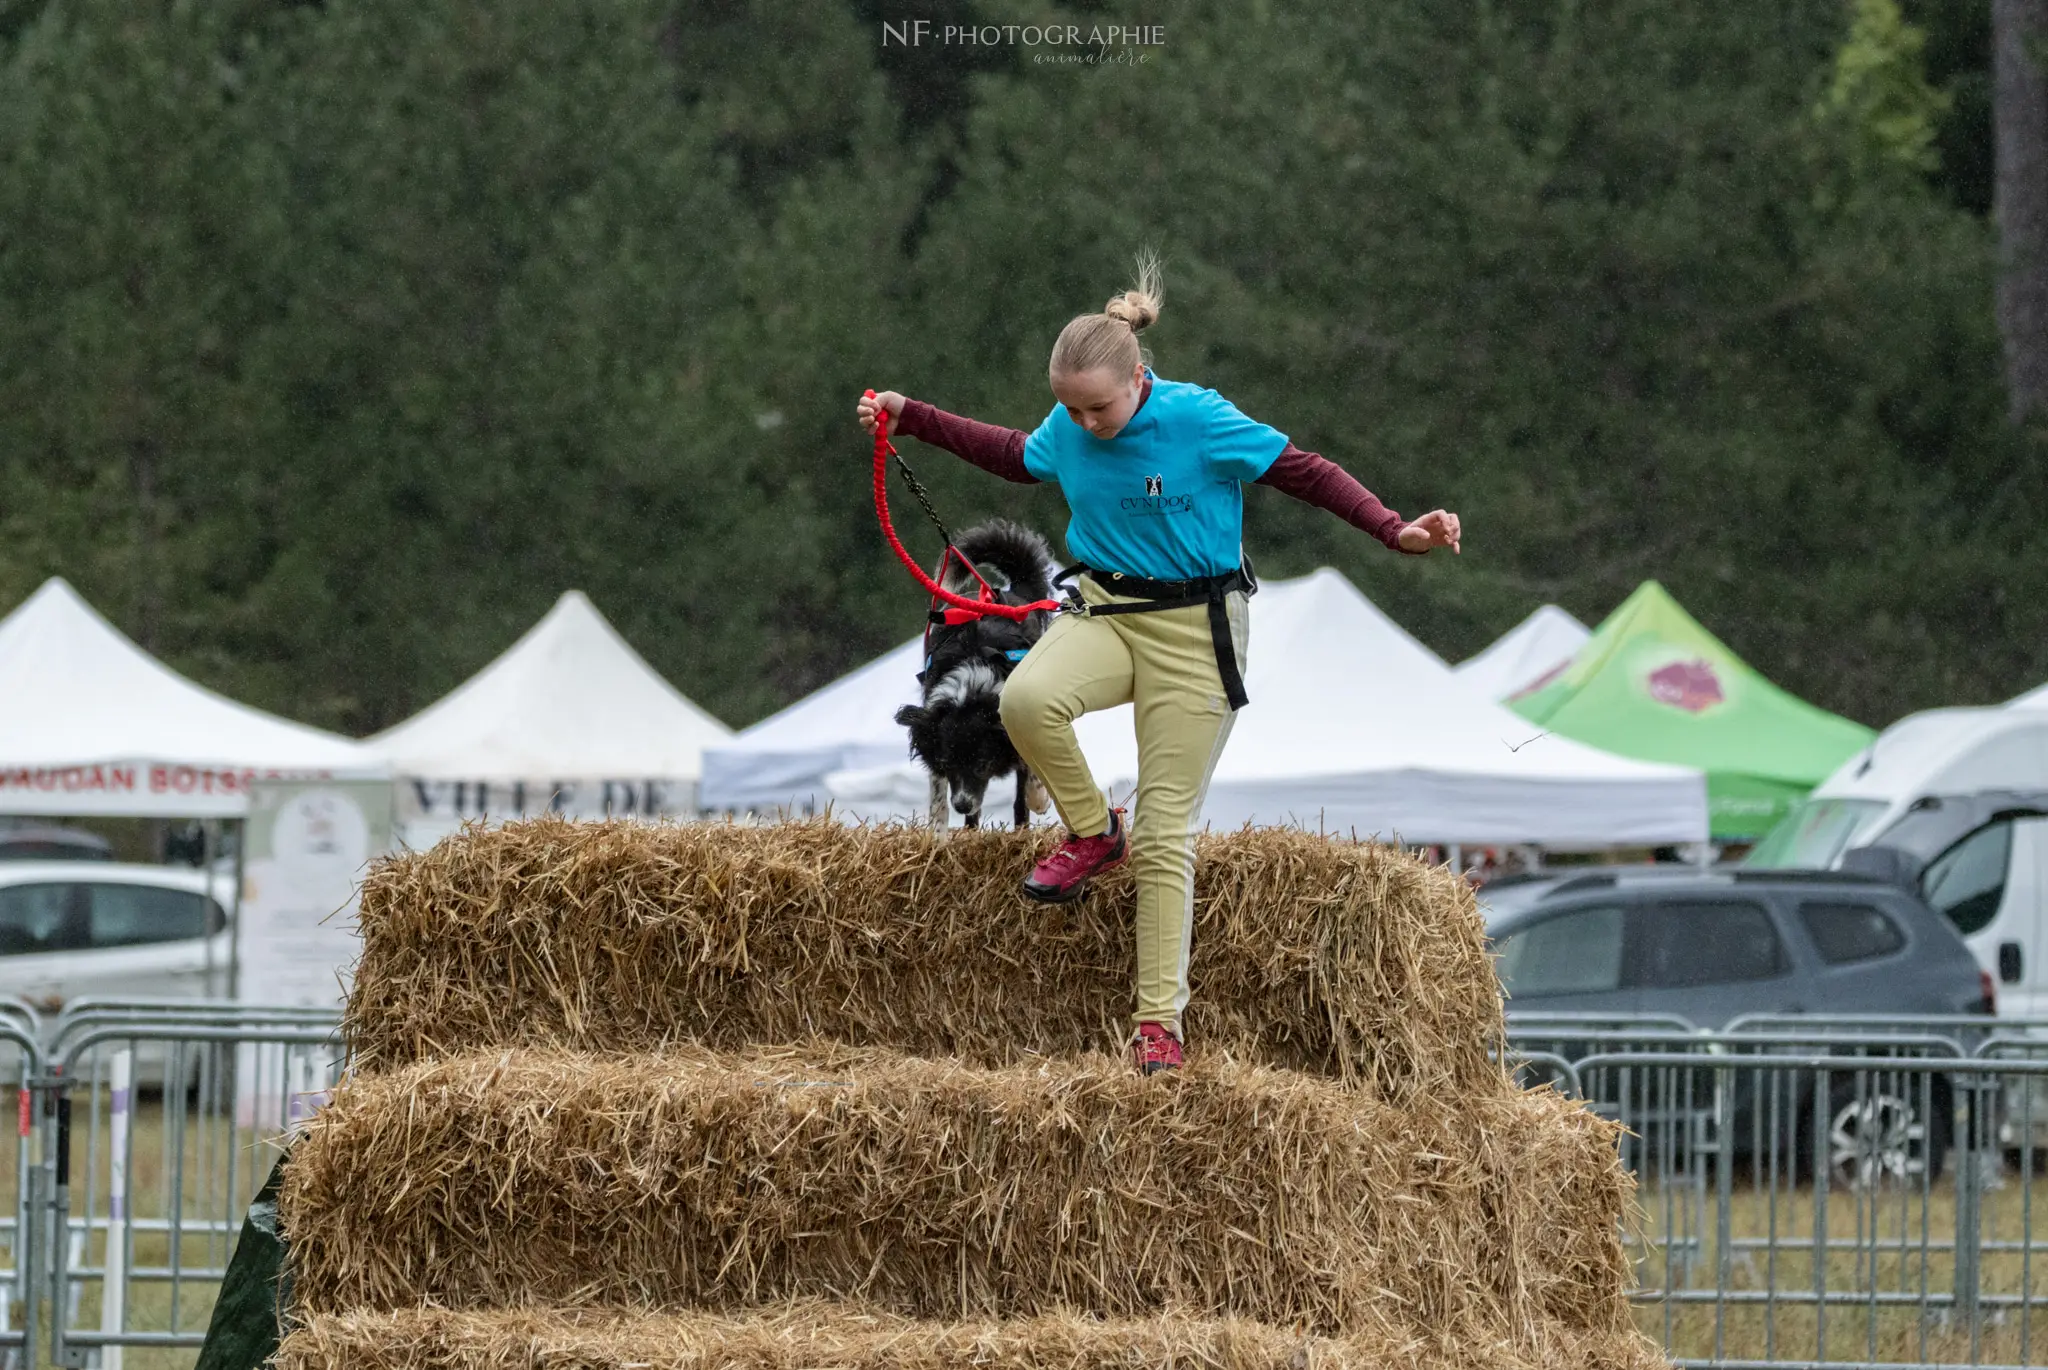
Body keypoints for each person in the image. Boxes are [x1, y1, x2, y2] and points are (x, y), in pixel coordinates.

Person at [856, 256, 1462, 1075]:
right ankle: (1091, 830)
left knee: (1168, 831)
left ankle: (1157, 1024)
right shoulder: (1070, 424)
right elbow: (1011, 453)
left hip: (1194, 631)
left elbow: (1305, 472)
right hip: (1105, 612)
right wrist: (910, 415)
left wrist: (1395, 530)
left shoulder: (1199, 419)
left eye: (1097, 406)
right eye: (1069, 406)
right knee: (1026, 700)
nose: (1083, 422)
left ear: (1138, 379)